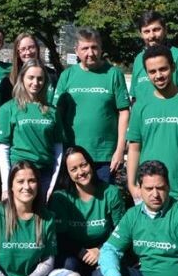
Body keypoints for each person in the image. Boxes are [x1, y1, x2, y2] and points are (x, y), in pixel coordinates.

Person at [126, 45, 178, 217]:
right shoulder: (140, 106)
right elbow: (134, 148)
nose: (158, 75)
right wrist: (132, 186)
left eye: (163, 69)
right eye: (152, 71)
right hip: (148, 194)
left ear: (173, 67)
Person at [49, 146, 125, 276]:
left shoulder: (110, 193)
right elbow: (60, 237)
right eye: (73, 169)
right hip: (74, 253)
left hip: (102, 251)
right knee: (68, 264)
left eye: (83, 165)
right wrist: (81, 251)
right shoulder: (61, 197)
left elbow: (121, 231)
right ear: (67, 173)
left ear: (91, 164)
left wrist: (101, 250)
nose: (80, 172)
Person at [54, 28, 129, 184]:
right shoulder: (67, 75)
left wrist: (120, 150)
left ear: (101, 48)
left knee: (103, 201)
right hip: (72, 154)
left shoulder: (114, 74)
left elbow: (124, 112)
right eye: (85, 48)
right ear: (77, 51)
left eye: (94, 47)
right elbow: (56, 114)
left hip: (105, 155)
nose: (90, 53)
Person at [0, 59, 63, 200]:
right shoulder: (8, 108)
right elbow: (3, 149)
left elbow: (58, 150)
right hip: (18, 175)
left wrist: (52, 184)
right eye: (31, 77)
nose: (35, 83)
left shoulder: (52, 111)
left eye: (40, 79)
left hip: (44, 175)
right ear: (22, 78)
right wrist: (6, 187)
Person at [129, 10, 178, 104]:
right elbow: (135, 97)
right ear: (141, 34)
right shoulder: (138, 59)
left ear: (165, 30)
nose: (152, 35)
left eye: (156, 30)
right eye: (146, 31)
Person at [0, 33, 56, 104]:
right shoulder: (8, 81)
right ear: (18, 53)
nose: (28, 52)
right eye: (23, 49)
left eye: (31, 47)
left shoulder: (52, 75)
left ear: (37, 49)